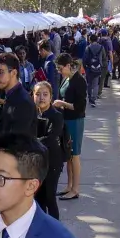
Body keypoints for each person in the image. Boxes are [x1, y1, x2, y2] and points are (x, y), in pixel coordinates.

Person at [53, 54, 87, 202]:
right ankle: (69, 186)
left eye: (61, 68)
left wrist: (62, 104)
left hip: (75, 120)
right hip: (67, 119)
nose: (60, 71)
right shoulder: (67, 78)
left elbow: (80, 107)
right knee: (68, 155)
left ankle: (75, 189)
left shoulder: (79, 81)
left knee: (75, 155)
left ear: (67, 65)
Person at [33, 81, 68, 219]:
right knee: (38, 197)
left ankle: (55, 228)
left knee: (49, 197)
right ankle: (42, 226)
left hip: (52, 161)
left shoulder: (56, 115)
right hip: (35, 161)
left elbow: (50, 138)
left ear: (51, 97)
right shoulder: (31, 113)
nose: (41, 98)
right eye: (37, 94)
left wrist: (30, 142)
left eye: (45, 94)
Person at [0, 52, 37, 137]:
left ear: (13, 73)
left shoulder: (23, 102)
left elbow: (18, 143)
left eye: (0, 72)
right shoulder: (12, 95)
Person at [83, 34, 105, 108]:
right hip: (98, 67)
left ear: (90, 40)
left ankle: (89, 98)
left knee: (89, 83)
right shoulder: (101, 47)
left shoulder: (88, 47)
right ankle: (94, 99)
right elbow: (104, 57)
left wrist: (85, 67)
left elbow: (85, 59)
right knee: (96, 84)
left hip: (89, 68)